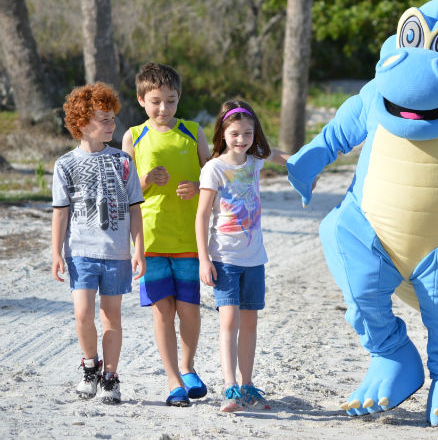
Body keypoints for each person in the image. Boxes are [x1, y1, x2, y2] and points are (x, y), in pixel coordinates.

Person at [121, 62, 211, 406]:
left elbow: (213, 175)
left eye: (171, 101)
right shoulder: (133, 135)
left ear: (179, 98)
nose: (164, 108)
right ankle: (172, 379)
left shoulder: (192, 130)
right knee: (162, 310)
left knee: (189, 309)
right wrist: (145, 181)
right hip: (150, 239)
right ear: (142, 99)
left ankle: (188, 369)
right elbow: (124, 189)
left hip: (190, 239)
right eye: (156, 101)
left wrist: (199, 187)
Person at [51, 83, 146, 405]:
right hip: (80, 252)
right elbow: (61, 213)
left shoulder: (123, 162)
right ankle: (90, 366)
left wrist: (139, 250)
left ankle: (111, 376)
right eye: (104, 119)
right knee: (81, 314)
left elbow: (135, 209)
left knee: (111, 317)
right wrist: (55, 252)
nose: (112, 124)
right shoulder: (65, 164)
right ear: (82, 124)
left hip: (116, 254)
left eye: (112, 118)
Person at [195, 100, 289, 412]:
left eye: (247, 133)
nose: (242, 139)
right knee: (229, 321)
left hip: (254, 259)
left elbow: (284, 158)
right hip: (224, 258)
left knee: (250, 323)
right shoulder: (214, 169)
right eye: (235, 133)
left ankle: (247, 385)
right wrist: (203, 259)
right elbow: (202, 216)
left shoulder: (255, 160)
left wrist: (310, 167)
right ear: (223, 133)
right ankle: (230, 387)